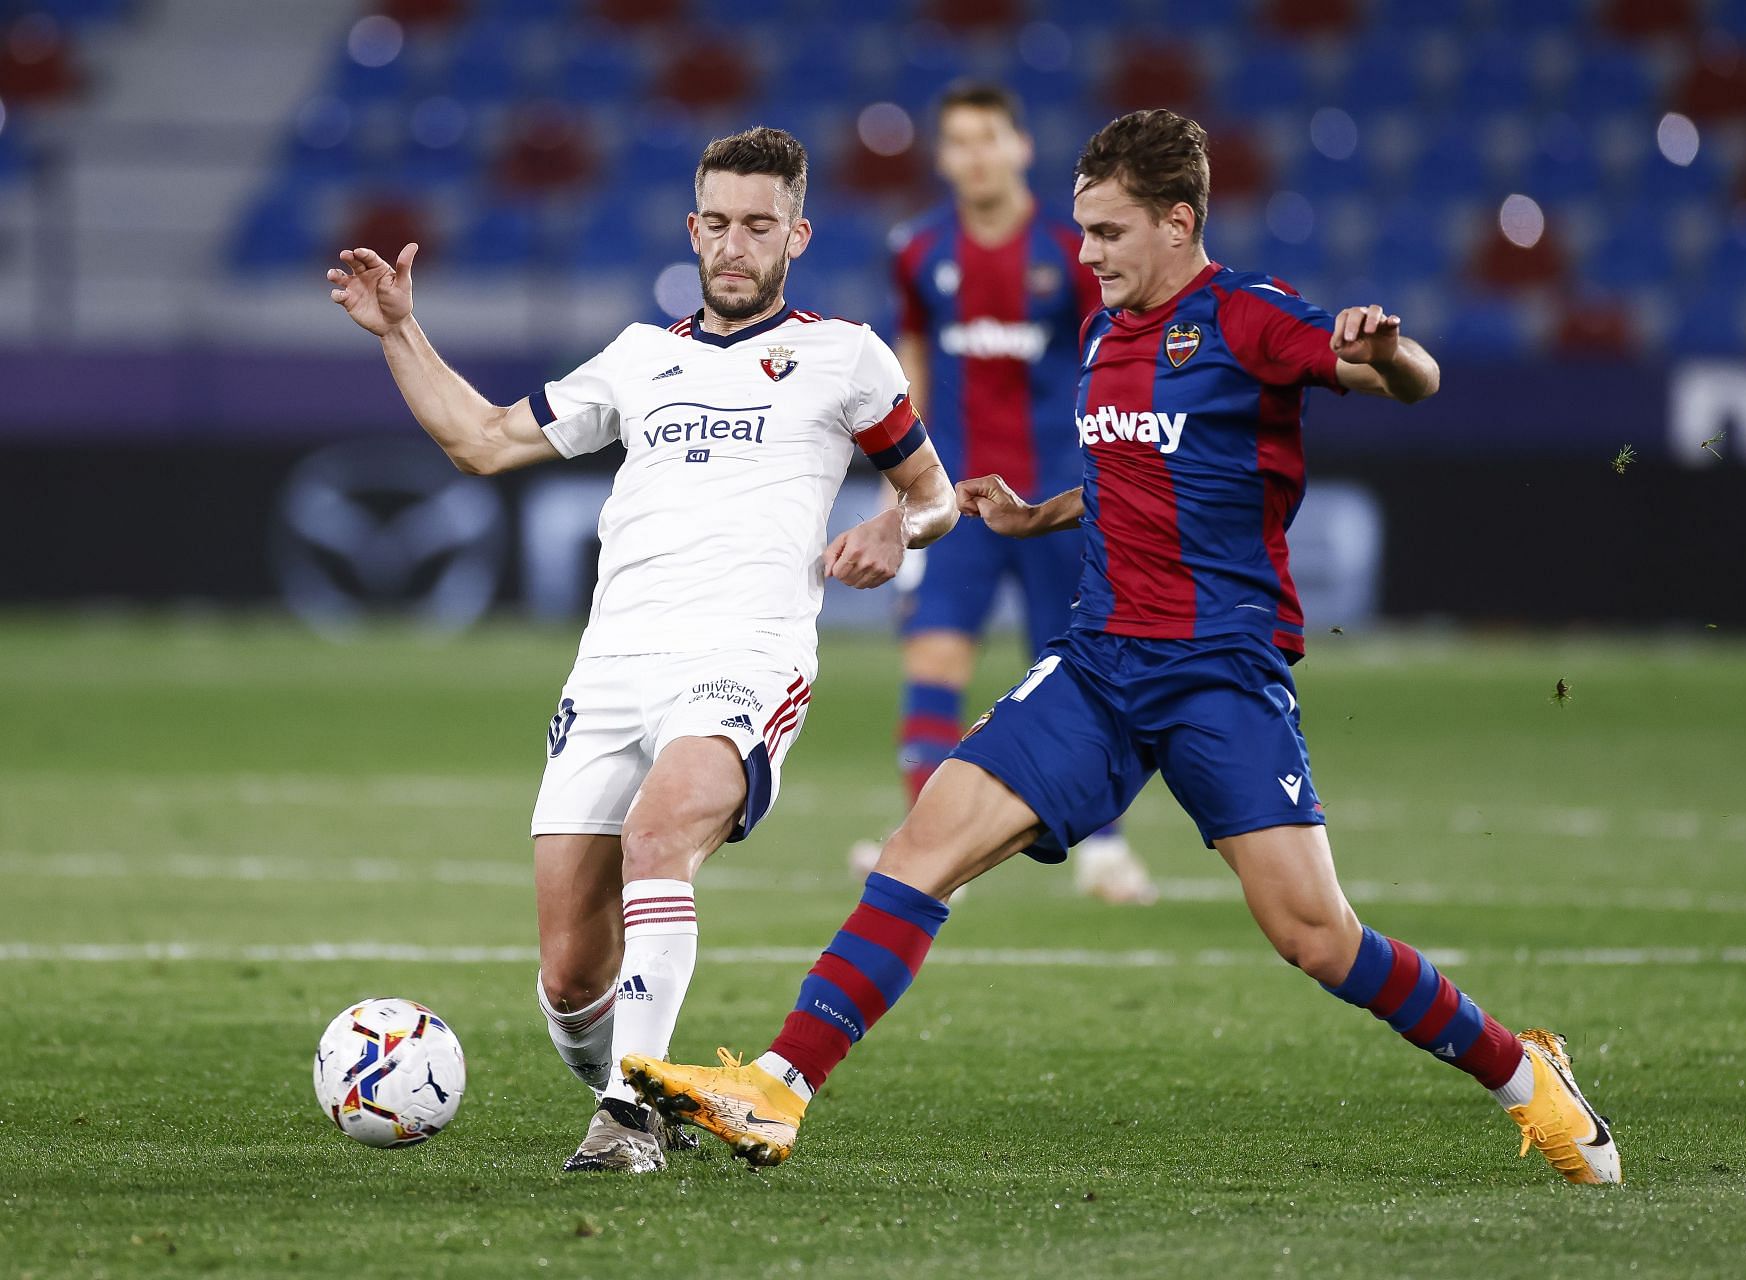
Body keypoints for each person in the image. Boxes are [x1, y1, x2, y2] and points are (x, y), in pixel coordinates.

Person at [623, 110, 1622, 1187]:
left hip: (1217, 673)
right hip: (1098, 663)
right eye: (1082, 230)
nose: (1085, 254)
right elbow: (1126, 472)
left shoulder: (1248, 319)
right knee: (923, 846)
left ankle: (1526, 1072)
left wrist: (1391, 350)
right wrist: (1036, 517)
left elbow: (1407, 378)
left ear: (1178, 221)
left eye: (1106, 231)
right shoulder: (1108, 331)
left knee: (1316, 934)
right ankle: (779, 1087)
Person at [327, 126, 957, 1175]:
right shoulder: (638, 357)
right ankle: (635, 1077)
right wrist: (401, 331)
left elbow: (932, 493)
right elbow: (483, 440)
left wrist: (899, 527)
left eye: (759, 224)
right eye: (717, 222)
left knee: (661, 835)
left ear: (795, 233)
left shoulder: (844, 356)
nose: (734, 243)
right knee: (574, 971)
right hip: (612, 667)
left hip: (746, 655)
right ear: (692, 228)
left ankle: (625, 1115)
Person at [851, 82, 1156, 905]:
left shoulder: (1072, 249)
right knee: (934, 657)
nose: (974, 155)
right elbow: (912, 355)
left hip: (1056, 495)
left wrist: (1114, 472)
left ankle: (1107, 850)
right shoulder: (918, 249)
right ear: (943, 157)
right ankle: (926, 851)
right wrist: (902, 476)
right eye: (958, 141)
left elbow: (1118, 356)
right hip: (956, 499)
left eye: (989, 138)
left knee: (1077, 674)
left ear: (1021, 147)